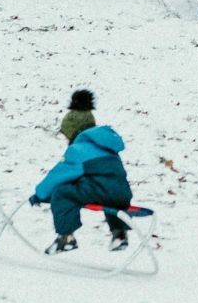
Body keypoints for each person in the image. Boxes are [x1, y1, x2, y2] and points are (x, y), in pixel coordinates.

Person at [29, 89, 134, 254]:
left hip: (99, 191)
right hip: (123, 194)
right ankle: (119, 234)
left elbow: (58, 176)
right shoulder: (107, 147)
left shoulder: (77, 150)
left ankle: (66, 237)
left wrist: (40, 194)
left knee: (63, 193)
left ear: (73, 132)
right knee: (110, 199)